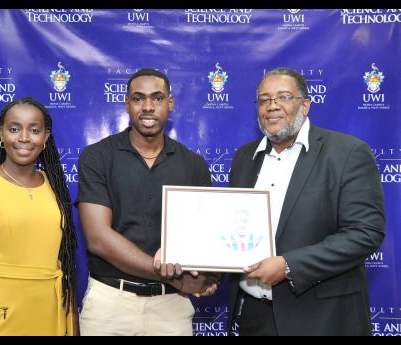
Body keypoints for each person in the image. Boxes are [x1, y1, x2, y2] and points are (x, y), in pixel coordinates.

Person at [228, 67, 385, 336]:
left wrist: (289, 265)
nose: (272, 106)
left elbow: (365, 233)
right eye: (264, 100)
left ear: (305, 104)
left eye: (284, 97)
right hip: (255, 317)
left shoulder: (347, 153)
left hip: (322, 318)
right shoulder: (244, 157)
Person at [76, 68, 219, 336]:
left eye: (158, 98)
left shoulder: (194, 165)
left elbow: (205, 236)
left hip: (171, 307)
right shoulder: (97, 157)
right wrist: (175, 277)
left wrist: (209, 277)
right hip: (110, 304)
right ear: (127, 104)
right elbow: (98, 238)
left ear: (171, 103)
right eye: (139, 98)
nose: (148, 107)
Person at [0, 97, 78, 336]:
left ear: (46, 138)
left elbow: (66, 267)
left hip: (50, 317)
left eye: (35, 130)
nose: (24, 138)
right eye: (14, 129)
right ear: (2, 133)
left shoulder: (57, 188)